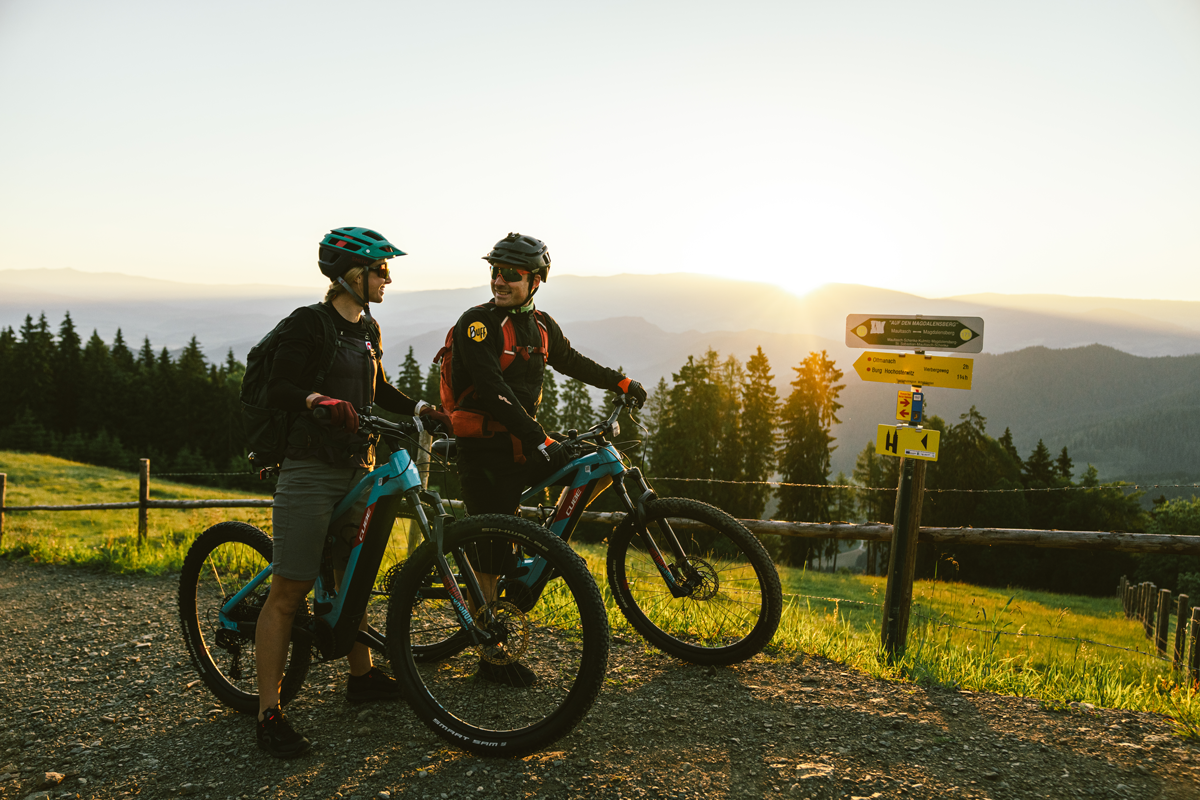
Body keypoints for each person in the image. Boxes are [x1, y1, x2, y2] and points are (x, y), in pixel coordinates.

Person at [254, 226, 447, 759]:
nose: (388, 277)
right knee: (289, 592)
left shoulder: (368, 327)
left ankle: (360, 680)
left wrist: (418, 409)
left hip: (358, 467)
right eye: (381, 269)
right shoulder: (309, 324)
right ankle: (268, 710)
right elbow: (280, 387)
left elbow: (378, 387)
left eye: (387, 269)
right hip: (311, 470)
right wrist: (318, 399)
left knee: (352, 573)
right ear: (351, 275)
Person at [446, 232, 647, 685]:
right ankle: (490, 654)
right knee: (491, 551)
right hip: (485, 449)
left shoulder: (540, 325)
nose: (499, 281)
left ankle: (538, 552)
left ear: (535, 280)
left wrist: (621, 382)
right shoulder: (476, 324)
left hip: (524, 443)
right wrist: (541, 439)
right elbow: (493, 391)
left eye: (510, 274)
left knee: (593, 464)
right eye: (494, 272)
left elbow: (571, 359)